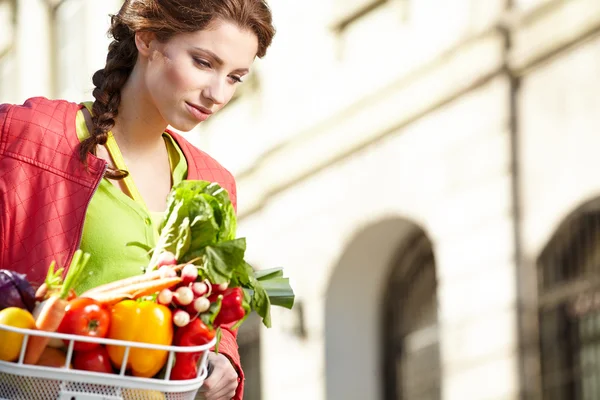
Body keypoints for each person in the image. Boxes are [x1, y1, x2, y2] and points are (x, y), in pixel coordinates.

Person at [0, 0, 275, 399]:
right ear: (147, 40)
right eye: (203, 62)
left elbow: (211, 317)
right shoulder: (26, 137)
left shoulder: (214, 183)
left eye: (234, 77)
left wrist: (220, 357)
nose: (217, 93)